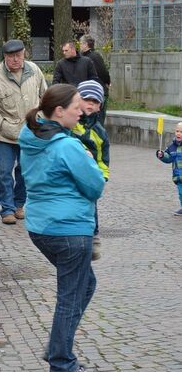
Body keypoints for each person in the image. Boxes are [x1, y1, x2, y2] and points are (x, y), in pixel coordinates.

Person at [19, 84, 105, 372]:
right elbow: (96, 186)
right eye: (76, 106)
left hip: (41, 228)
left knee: (85, 285)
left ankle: (58, 346)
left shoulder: (29, 135)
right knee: (71, 295)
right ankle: (62, 364)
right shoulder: (68, 146)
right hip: (70, 230)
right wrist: (90, 160)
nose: (81, 111)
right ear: (59, 111)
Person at [0, 39, 47, 225]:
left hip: (30, 132)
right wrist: (1, 125)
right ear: (5, 57)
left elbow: (45, 98)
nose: (15, 60)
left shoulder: (34, 71)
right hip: (4, 135)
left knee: (25, 172)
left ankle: (19, 205)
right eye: (11, 56)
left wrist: (39, 119)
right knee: (5, 173)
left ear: (24, 54)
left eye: (18, 55)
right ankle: (6, 209)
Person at [72, 80, 110, 261]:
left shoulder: (100, 132)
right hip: (71, 174)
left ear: (100, 106)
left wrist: (102, 176)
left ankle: (93, 236)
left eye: (95, 102)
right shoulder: (71, 123)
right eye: (86, 99)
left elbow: (103, 159)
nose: (90, 104)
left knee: (90, 206)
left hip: (89, 176)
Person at [79, 35, 111, 124]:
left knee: (98, 121)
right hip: (90, 91)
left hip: (98, 91)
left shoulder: (94, 56)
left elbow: (103, 72)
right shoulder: (85, 56)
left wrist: (106, 82)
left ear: (86, 44)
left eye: (81, 43)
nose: (80, 46)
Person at [156, 121, 182, 215]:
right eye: (177, 131)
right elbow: (168, 158)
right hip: (178, 176)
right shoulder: (172, 147)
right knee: (181, 193)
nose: (179, 133)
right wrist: (162, 155)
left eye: (181, 132)